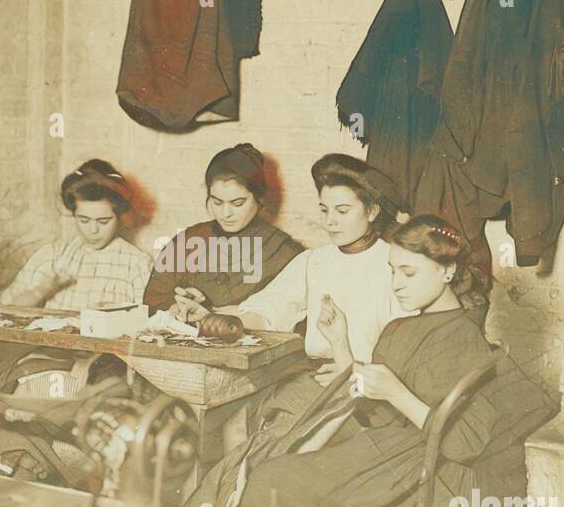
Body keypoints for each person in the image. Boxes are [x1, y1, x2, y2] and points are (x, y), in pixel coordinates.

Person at [189, 215, 556, 507]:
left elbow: (464, 443)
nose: (397, 284)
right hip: (386, 448)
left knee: (274, 485)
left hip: (415, 474)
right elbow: (371, 405)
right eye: (392, 271)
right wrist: (341, 345)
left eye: (408, 272)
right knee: (266, 462)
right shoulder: (401, 327)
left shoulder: (463, 338)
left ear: (445, 272)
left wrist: (396, 393)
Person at [174, 152, 412, 374]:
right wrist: (214, 320)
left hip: (371, 382)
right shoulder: (315, 261)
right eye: (324, 210)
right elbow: (270, 311)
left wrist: (354, 374)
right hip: (318, 375)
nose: (330, 222)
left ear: (371, 211)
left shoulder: (394, 263)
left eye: (342, 211)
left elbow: (407, 349)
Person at [143, 143, 303, 312]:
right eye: (217, 202)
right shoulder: (189, 240)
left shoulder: (284, 252)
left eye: (238, 203)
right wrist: (178, 305)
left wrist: (229, 312)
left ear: (260, 198)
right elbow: (151, 306)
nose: (225, 214)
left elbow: (292, 316)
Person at [0, 160, 152, 311]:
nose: (93, 230)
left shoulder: (136, 263)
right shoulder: (53, 255)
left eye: (103, 221)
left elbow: (151, 324)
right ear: (73, 214)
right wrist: (42, 290)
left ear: (118, 216)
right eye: (84, 220)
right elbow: (6, 309)